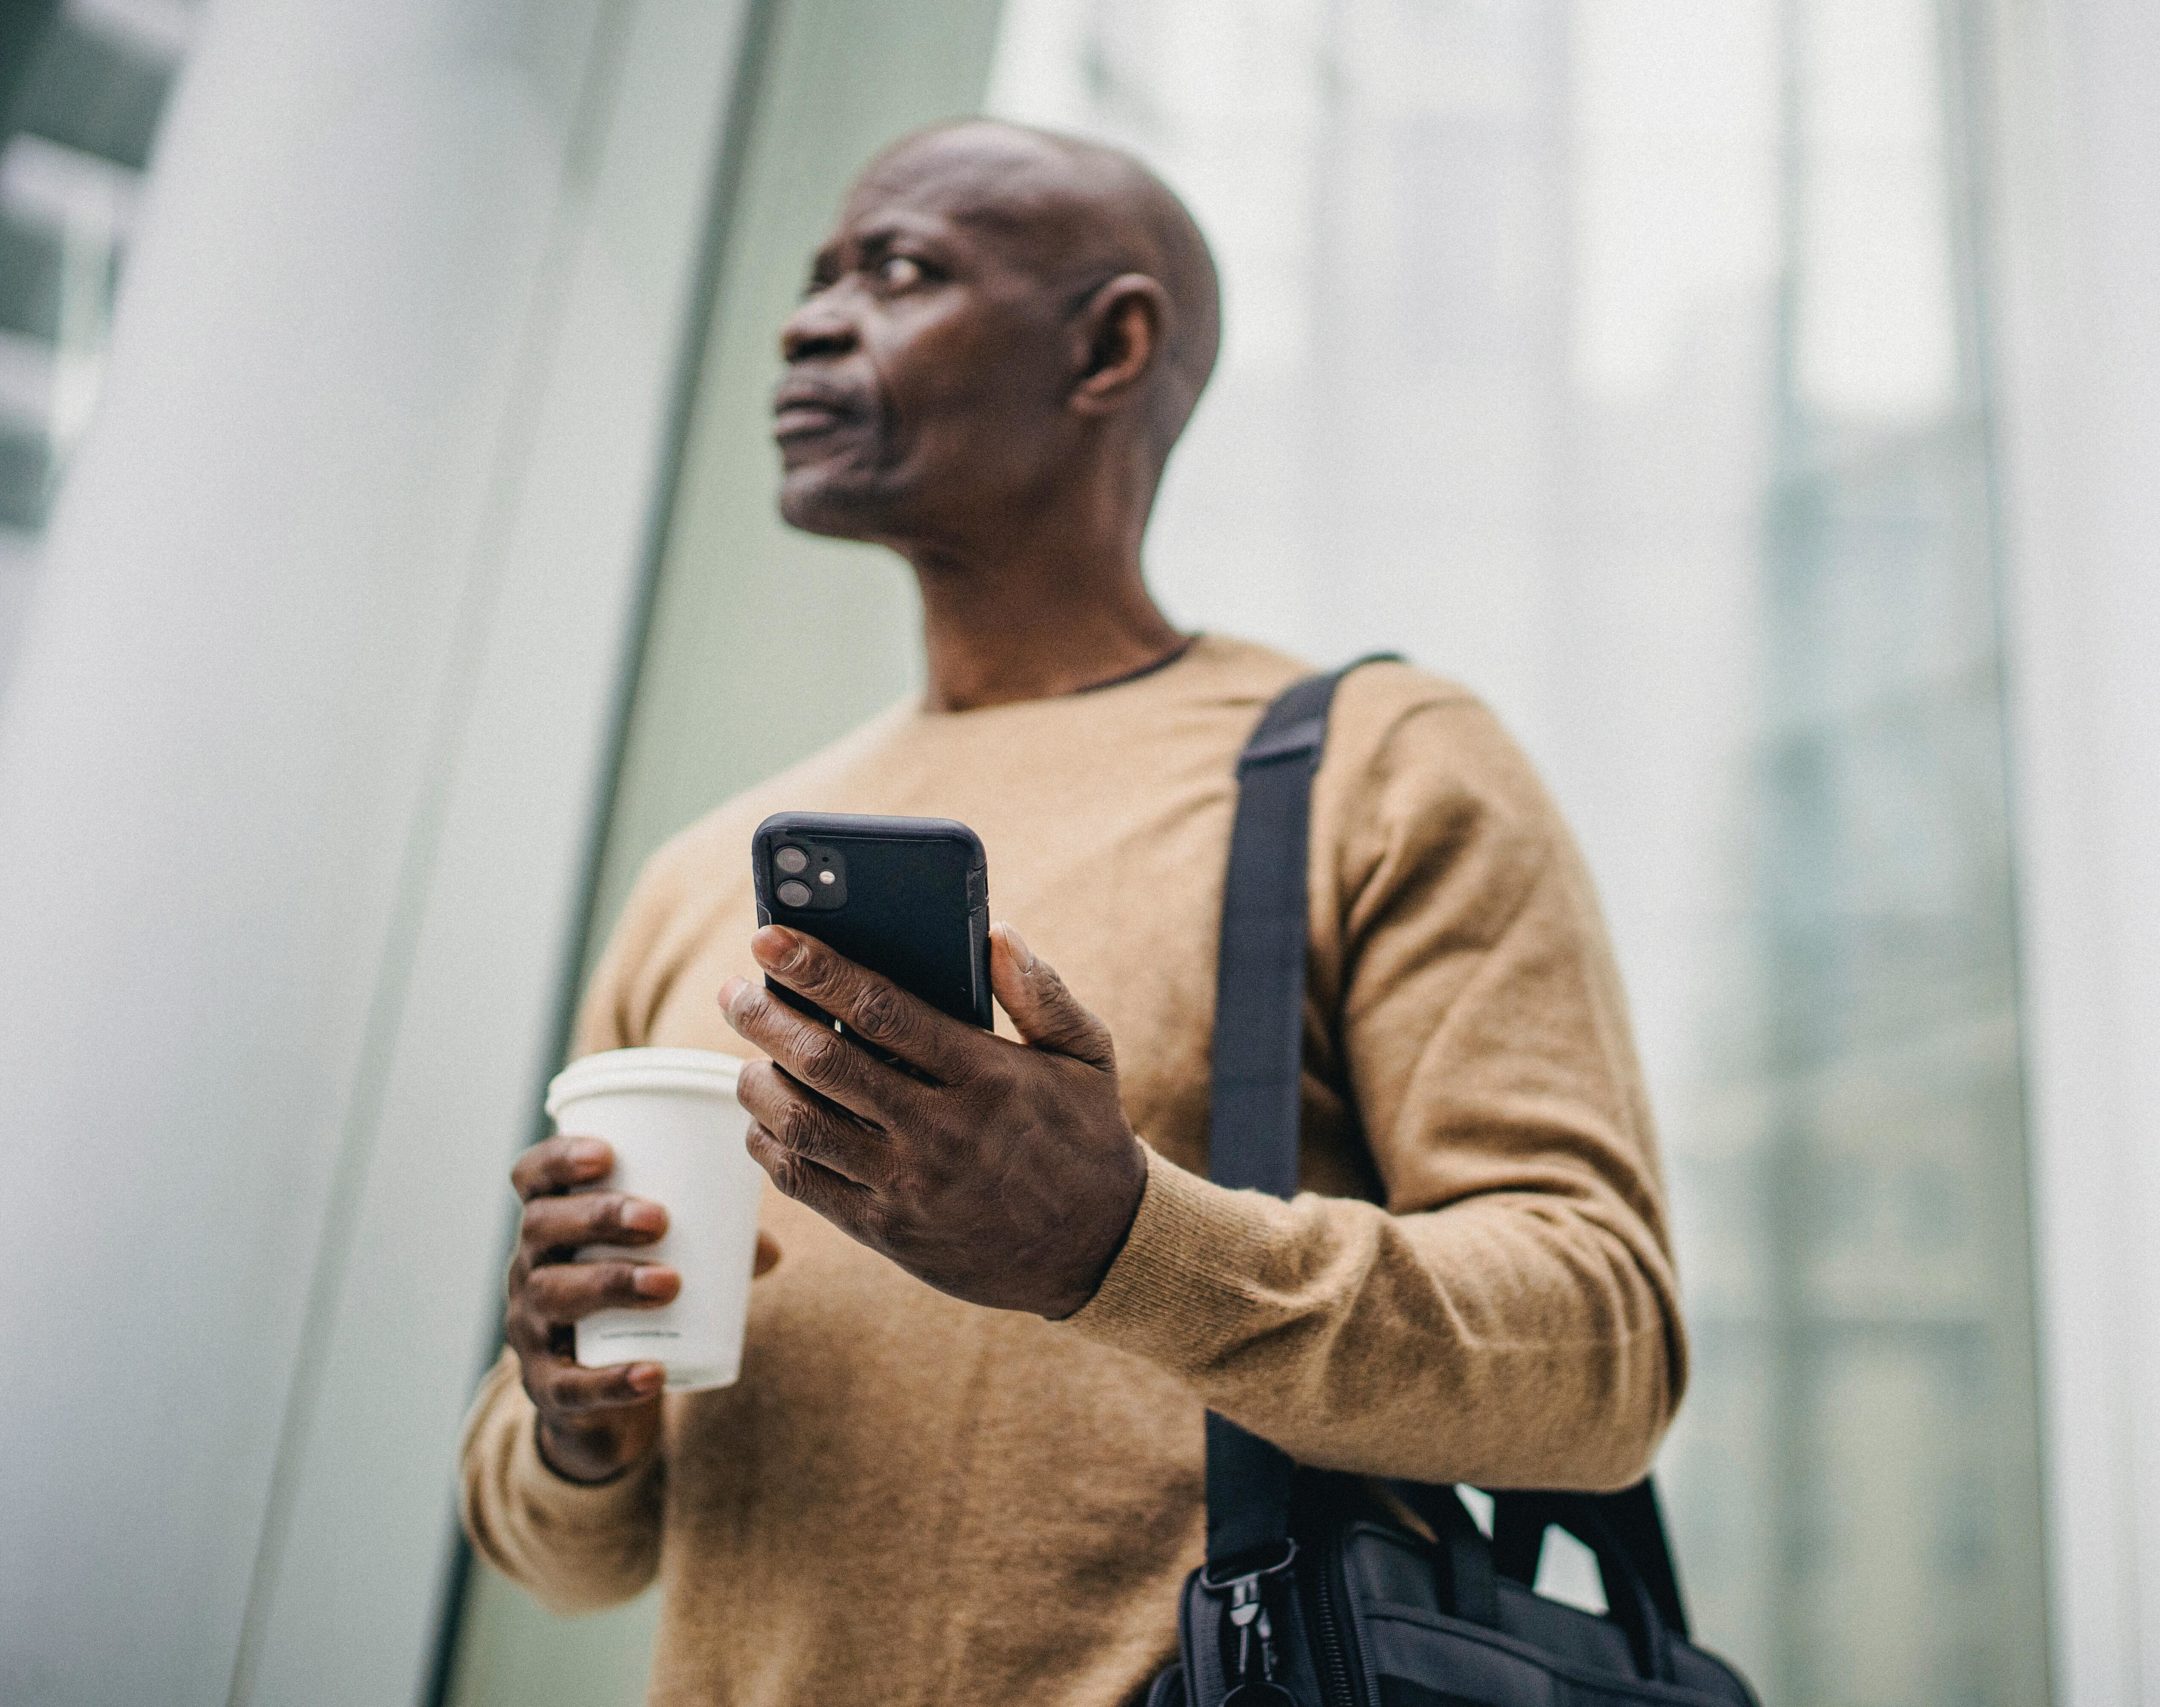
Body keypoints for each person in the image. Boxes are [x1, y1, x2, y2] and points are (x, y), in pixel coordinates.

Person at [459, 118, 1684, 1707]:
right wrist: (572, 1411)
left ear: (1109, 347)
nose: (807, 319)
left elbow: (1603, 1356)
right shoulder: (701, 874)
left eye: (897, 271)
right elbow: (572, 1558)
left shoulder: (1370, 765)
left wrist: (1118, 1238)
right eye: (816, 274)